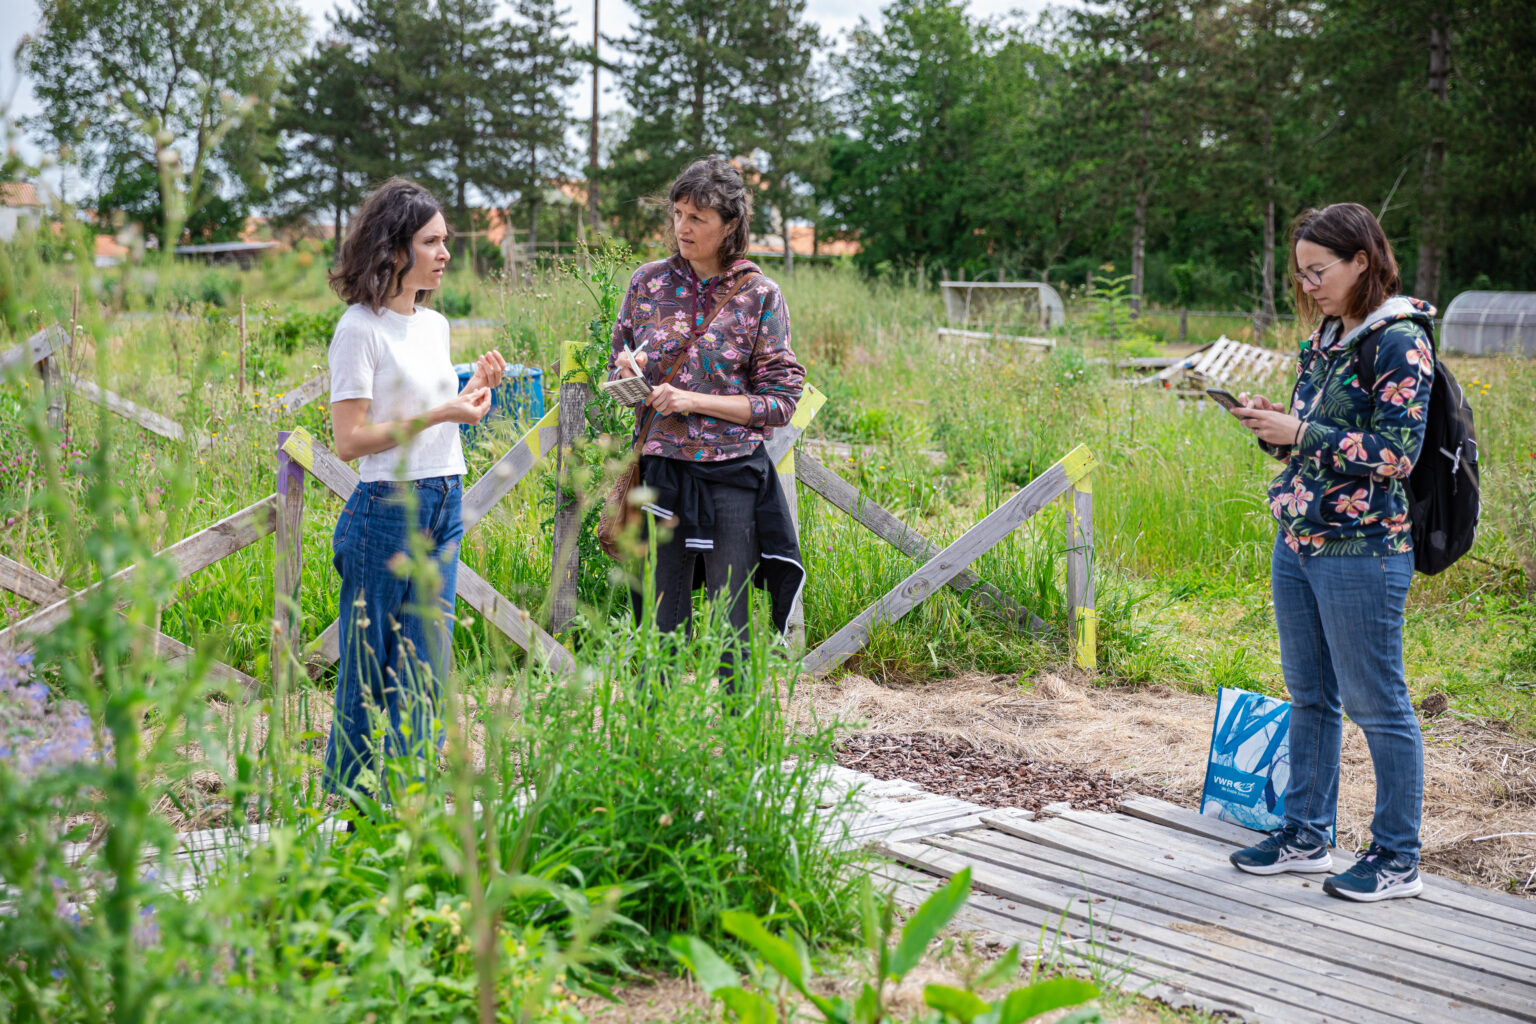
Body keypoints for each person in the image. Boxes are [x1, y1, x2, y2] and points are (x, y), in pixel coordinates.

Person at [1226, 202, 1435, 901]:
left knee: (1379, 705)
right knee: (1311, 696)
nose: (1309, 284)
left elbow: (1397, 454)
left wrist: (1300, 433)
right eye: (1301, 273)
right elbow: (1314, 433)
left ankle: (1397, 858)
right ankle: (1306, 833)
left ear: (1362, 262)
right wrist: (1272, 427)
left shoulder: (1399, 340)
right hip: (1299, 537)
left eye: (1319, 271)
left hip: (1363, 548)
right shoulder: (1327, 333)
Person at [322, 177, 506, 798]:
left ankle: (406, 802)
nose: (445, 252)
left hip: (445, 499)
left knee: (427, 668)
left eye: (445, 240)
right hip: (386, 510)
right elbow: (350, 440)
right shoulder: (358, 328)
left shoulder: (434, 325)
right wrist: (441, 415)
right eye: (432, 240)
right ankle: (354, 811)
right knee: (368, 668)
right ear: (395, 247)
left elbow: (439, 413)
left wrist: (472, 393)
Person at [608, 157, 807, 693]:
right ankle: (656, 745)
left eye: (697, 217)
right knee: (658, 617)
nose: (682, 228)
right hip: (660, 475)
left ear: (730, 224)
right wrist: (628, 374)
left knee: (731, 622)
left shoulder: (759, 295)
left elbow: (782, 399)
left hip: (733, 477)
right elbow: (617, 363)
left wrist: (692, 400)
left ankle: (739, 749)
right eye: (677, 214)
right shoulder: (647, 284)